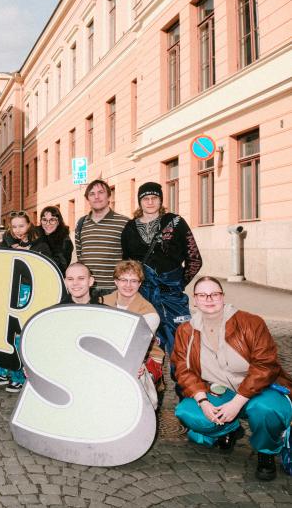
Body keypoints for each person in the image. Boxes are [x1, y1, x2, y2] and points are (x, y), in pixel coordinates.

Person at [173, 276, 292, 481]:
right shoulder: (186, 331)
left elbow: (266, 365)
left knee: (266, 410)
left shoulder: (250, 322)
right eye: (203, 295)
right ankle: (231, 429)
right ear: (195, 299)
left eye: (215, 294)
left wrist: (237, 402)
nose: (209, 299)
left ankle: (267, 452)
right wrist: (202, 401)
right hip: (220, 391)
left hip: (260, 389)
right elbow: (184, 370)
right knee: (187, 411)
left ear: (223, 296)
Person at [122, 182, 202, 359]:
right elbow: (126, 266)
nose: (150, 202)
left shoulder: (175, 222)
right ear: (140, 202)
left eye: (154, 198)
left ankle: (187, 385)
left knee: (182, 348)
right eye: (146, 198)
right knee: (145, 350)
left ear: (161, 200)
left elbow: (195, 259)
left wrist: (177, 284)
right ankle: (152, 385)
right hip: (143, 297)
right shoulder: (129, 229)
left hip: (172, 298)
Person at [0, 211, 40, 392]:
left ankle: (19, 376)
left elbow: (45, 270)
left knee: (19, 333)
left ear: (29, 225)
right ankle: (0, 371)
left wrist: (30, 256)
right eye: (14, 226)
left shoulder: (38, 243)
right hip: (5, 291)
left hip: (26, 291)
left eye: (21, 225)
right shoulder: (5, 243)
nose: (17, 230)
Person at [102, 260, 164, 409]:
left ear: (140, 284)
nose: (128, 285)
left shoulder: (149, 312)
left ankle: (148, 408)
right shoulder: (102, 302)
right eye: (124, 280)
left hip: (143, 356)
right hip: (108, 353)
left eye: (133, 281)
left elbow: (137, 347)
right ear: (116, 281)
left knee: (136, 372)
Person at [74, 179, 130, 296]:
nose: (97, 197)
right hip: (87, 290)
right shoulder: (81, 223)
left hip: (114, 290)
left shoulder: (125, 223)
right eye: (92, 194)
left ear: (109, 196)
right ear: (88, 199)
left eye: (101, 192)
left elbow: (130, 259)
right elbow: (80, 257)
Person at [36, 205, 73, 274]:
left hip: (52, 278)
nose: (48, 224)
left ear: (58, 222)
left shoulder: (65, 241)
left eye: (52, 220)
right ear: (41, 221)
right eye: (44, 220)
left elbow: (61, 266)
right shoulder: (35, 234)